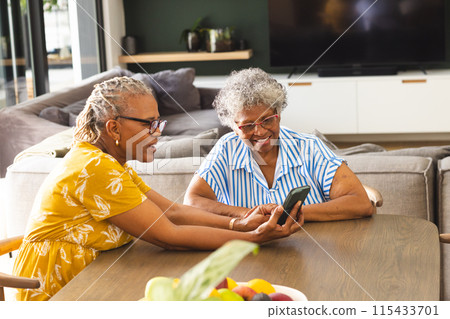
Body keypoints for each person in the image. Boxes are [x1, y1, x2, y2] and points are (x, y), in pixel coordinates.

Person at [12, 76, 302, 301]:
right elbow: (170, 235)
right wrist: (252, 239)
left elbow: (174, 212)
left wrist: (240, 223)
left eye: (158, 122)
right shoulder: (94, 168)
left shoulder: (112, 164)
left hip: (95, 278)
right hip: (61, 291)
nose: (158, 132)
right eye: (149, 124)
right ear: (113, 129)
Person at [184, 68, 374, 221]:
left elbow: (360, 203)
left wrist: (289, 214)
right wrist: (247, 214)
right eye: (248, 125)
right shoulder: (226, 149)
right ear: (233, 126)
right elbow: (192, 202)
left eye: (267, 120)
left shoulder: (309, 147)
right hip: (251, 252)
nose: (260, 132)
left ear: (279, 113)